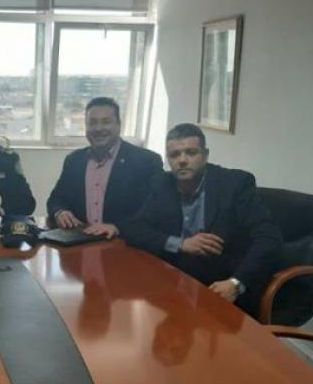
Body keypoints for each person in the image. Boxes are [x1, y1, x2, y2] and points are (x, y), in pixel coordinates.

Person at [124, 123, 282, 315]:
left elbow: (269, 238)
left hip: (222, 283)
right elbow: (134, 228)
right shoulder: (162, 183)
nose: (182, 160)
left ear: (205, 155)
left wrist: (236, 283)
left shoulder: (234, 185)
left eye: (191, 153)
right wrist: (181, 244)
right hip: (176, 280)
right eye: (174, 155)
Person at [47, 97, 163, 238]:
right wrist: (60, 211)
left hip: (125, 241)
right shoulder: (74, 160)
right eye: (92, 123)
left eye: (106, 122)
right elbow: (56, 198)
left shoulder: (146, 161)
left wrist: (118, 227)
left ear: (119, 125)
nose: (98, 128)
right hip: (81, 241)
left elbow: (153, 209)